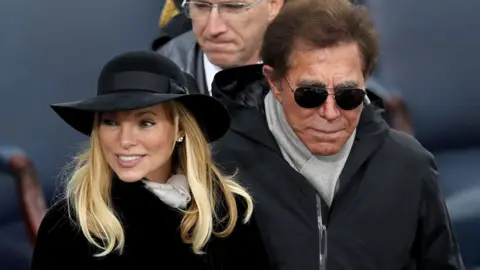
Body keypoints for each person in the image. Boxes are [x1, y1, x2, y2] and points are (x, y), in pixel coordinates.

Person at [210, 0, 465, 269]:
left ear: (365, 82)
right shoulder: (217, 167)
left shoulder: (411, 166)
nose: (331, 113)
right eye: (310, 94)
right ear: (274, 82)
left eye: (349, 95)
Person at [30, 51, 271, 270]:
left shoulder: (228, 212)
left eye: (146, 123)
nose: (125, 140)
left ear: (180, 129)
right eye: (110, 122)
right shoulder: (69, 224)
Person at [156, 0, 284, 95]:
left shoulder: (299, 69)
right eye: (201, 6)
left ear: (273, 5)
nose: (213, 29)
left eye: (233, 7)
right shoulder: (159, 75)